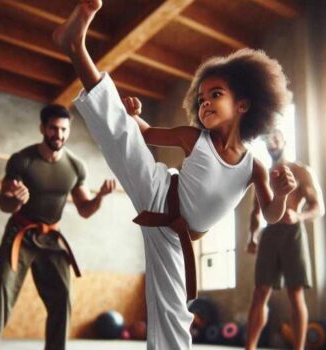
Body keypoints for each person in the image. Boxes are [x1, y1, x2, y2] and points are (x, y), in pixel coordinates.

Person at [53, 1, 296, 348]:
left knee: (176, 314)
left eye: (216, 95)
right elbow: (146, 134)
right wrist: (132, 116)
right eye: (201, 99)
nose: (205, 103)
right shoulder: (194, 137)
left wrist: (282, 194)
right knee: (121, 133)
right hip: (159, 193)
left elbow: (272, 214)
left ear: (243, 104)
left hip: (175, 238)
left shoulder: (254, 165)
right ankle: (76, 46)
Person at [0, 104, 116, 350]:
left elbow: (84, 209)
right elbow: (3, 203)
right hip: (20, 234)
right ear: (43, 128)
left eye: (64, 130)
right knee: (0, 293)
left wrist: (99, 198)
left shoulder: (75, 166)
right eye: (53, 129)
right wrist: (15, 200)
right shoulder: (22, 160)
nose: (59, 135)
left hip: (52, 237)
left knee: (63, 298)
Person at [245, 129, 324, 350]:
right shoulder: (264, 174)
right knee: (260, 291)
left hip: (293, 232)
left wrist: (299, 215)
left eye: (276, 139)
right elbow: (255, 211)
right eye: (268, 140)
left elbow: (318, 207)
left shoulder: (301, 171)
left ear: (284, 141)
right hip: (269, 233)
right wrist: (251, 237)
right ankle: (249, 347)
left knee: (295, 292)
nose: (272, 143)